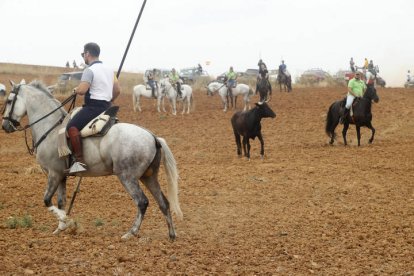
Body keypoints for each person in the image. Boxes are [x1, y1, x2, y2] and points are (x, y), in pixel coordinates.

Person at [66, 42, 121, 174]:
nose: (83, 57)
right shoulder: (109, 70)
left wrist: (76, 90)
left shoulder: (89, 70)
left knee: (71, 127)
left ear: (87, 54)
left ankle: (79, 161)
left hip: (93, 108)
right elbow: (118, 90)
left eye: (83, 54)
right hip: (107, 107)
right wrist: (110, 99)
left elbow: (83, 90)